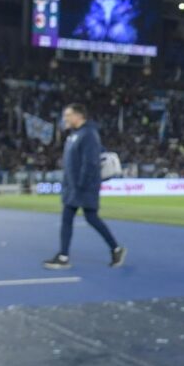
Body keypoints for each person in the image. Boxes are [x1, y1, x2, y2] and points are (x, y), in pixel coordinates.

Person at [44, 104, 126, 269]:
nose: (65, 119)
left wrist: (81, 185)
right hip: (73, 186)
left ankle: (65, 256)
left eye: (68, 115)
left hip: (83, 187)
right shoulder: (75, 135)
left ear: (79, 116)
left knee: (87, 218)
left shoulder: (88, 134)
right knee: (80, 218)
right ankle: (66, 255)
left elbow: (90, 163)